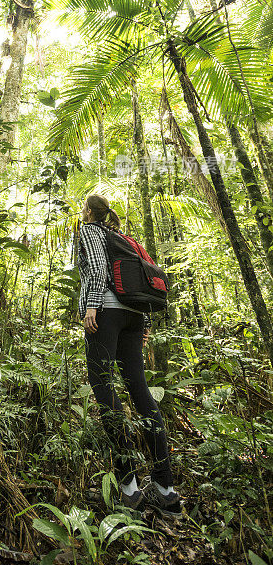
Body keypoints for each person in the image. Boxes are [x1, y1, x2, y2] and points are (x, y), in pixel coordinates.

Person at [79, 193, 182, 517]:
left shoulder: (91, 231)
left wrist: (92, 305)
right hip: (134, 316)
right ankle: (166, 490)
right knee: (140, 391)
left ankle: (130, 487)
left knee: (103, 387)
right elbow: (139, 281)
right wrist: (146, 320)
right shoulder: (121, 236)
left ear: (88, 211)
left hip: (106, 314)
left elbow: (96, 269)